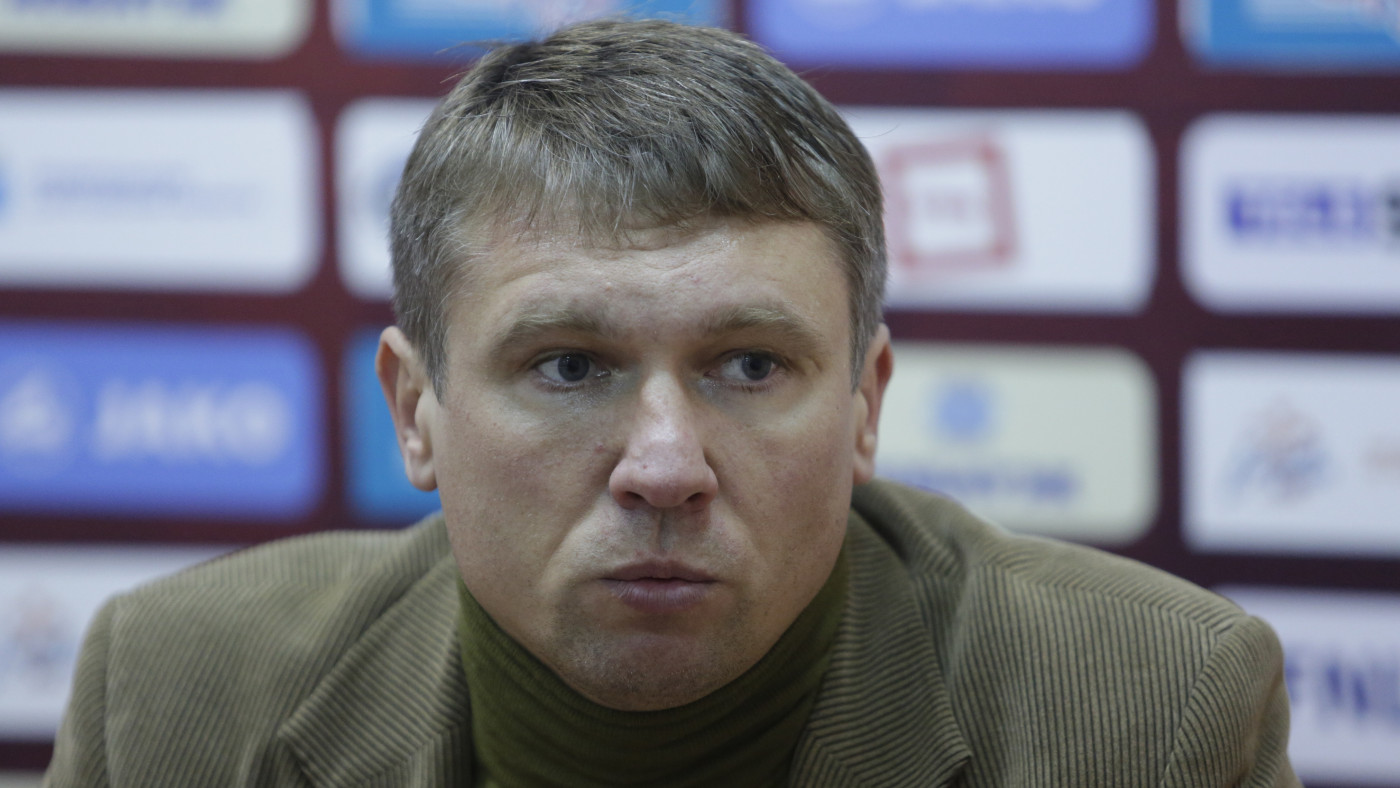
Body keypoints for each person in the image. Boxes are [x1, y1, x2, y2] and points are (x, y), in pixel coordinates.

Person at [44, 19, 1298, 788]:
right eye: (568, 365)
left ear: (863, 405)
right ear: (415, 410)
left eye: (748, 365)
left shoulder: (1154, 712)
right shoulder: (171, 691)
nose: (662, 466)